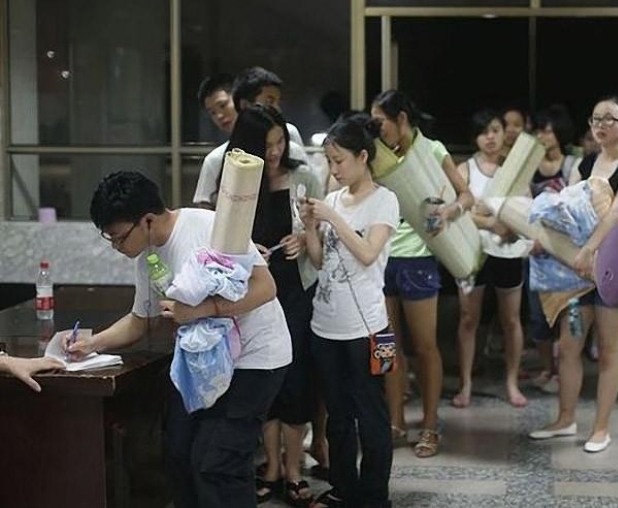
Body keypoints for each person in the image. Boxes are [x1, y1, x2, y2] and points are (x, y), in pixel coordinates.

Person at [67, 171, 293, 508]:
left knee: (215, 463)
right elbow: (138, 322)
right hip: (204, 364)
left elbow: (265, 287)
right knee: (177, 452)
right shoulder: (147, 257)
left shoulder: (209, 227)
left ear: (146, 220)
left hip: (255, 359)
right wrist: (91, 344)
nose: (116, 247)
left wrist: (204, 309)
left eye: (118, 238)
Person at [225, 104, 323, 506]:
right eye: (267, 145)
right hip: (256, 291)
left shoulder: (305, 176)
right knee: (263, 373)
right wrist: (249, 253)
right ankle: (271, 465)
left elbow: (322, 240)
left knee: (297, 376)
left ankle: (296, 467)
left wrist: (305, 241)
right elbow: (224, 242)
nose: (277, 151)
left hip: (296, 288)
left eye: (281, 141)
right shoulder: (239, 181)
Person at [301, 114, 399, 508]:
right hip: (326, 325)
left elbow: (367, 253)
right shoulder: (332, 201)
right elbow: (320, 261)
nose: (334, 169)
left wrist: (333, 218)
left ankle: (375, 497)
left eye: (339, 160)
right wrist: (310, 227)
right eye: (329, 161)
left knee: (372, 415)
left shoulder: (384, 200)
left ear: (363, 157)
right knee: (338, 416)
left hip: (370, 327)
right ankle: (344, 488)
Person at [370, 89, 474, 458]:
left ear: (401, 119)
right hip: (381, 259)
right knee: (387, 346)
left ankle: (430, 425)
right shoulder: (378, 156)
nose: (375, 128)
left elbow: (466, 195)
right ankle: (395, 420)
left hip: (418, 259)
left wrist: (447, 213)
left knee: (425, 346)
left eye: (380, 121)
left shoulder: (431, 150)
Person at [529, 96, 618, 454]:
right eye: (596, 119)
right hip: (577, 269)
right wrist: (545, 240)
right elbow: (564, 208)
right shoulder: (584, 163)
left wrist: (593, 247)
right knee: (568, 346)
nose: (601, 124)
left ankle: (601, 427)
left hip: (613, 268)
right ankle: (565, 418)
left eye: (610, 118)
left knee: (607, 350)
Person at [452, 109, 529, 409]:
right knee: (468, 319)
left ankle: (512, 382)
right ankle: (466, 384)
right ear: (476, 137)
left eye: (495, 130)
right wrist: (490, 222)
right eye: (484, 132)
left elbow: (525, 208)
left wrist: (500, 221)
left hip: (508, 251)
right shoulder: (465, 170)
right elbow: (458, 212)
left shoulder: (514, 169)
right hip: (473, 252)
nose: (491, 137)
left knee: (511, 320)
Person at [193, 70, 308, 209]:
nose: (219, 115)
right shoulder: (216, 159)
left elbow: (308, 185)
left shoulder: (290, 137)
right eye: (212, 112)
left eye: (223, 105)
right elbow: (205, 208)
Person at [527, 105, 581, 394]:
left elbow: (574, 206)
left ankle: (564, 371)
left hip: (564, 250)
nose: (542, 136)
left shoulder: (573, 164)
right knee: (538, 316)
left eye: (547, 130)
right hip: (536, 249)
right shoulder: (529, 165)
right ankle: (548, 367)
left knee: (565, 312)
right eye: (538, 130)